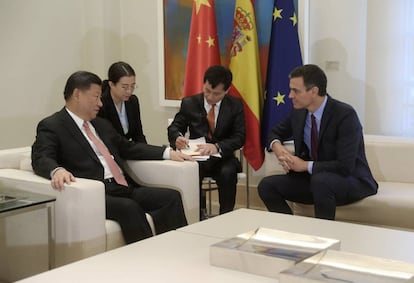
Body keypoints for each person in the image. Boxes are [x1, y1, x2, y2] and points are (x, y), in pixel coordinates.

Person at [32, 70, 192, 244]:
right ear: (77, 94)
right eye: (96, 97)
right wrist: (56, 170)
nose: (100, 103)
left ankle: (177, 248)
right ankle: (147, 260)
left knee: (170, 197)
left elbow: (127, 147)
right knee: (129, 207)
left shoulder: (100, 124)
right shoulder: (52, 125)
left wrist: (167, 153)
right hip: (96, 192)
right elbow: (41, 156)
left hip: (122, 187)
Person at [258, 64, 378, 220]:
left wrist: (304, 165)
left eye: (296, 91)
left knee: (321, 181)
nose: (290, 96)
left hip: (351, 180)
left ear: (314, 91)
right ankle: (289, 230)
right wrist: (278, 147)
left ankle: (322, 238)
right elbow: (274, 132)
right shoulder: (299, 112)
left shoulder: (344, 115)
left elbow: (345, 166)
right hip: (316, 181)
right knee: (266, 186)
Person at [168, 65, 245, 217]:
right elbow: (175, 126)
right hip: (197, 157)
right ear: (203, 84)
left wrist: (217, 147)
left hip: (223, 158)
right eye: (207, 91)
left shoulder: (235, 105)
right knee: (190, 172)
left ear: (226, 91)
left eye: (216, 94)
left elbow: (240, 137)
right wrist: (177, 137)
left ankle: (226, 217)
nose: (210, 97)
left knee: (228, 172)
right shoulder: (190, 103)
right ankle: (197, 214)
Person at [97, 61, 147, 143]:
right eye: (124, 87)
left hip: (129, 152)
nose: (129, 91)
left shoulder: (133, 101)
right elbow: (106, 140)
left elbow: (138, 135)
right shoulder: (101, 104)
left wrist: (147, 153)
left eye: (132, 86)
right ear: (111, 84)